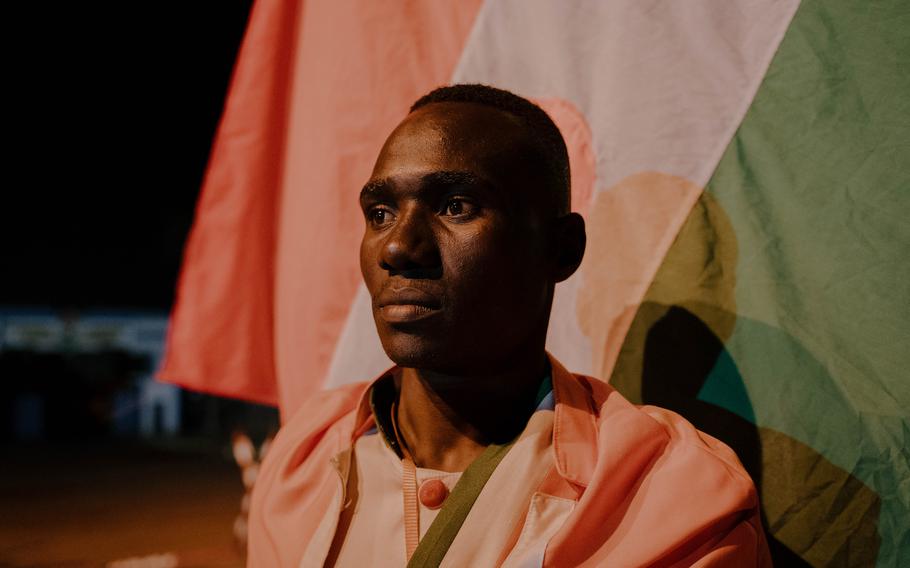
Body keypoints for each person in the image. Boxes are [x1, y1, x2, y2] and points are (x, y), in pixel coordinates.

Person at [249, 84, 770, 567]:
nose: (397, 247)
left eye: (456, 206)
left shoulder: (672, 495)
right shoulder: (304, 456)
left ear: (561, 249)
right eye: (381, 212)